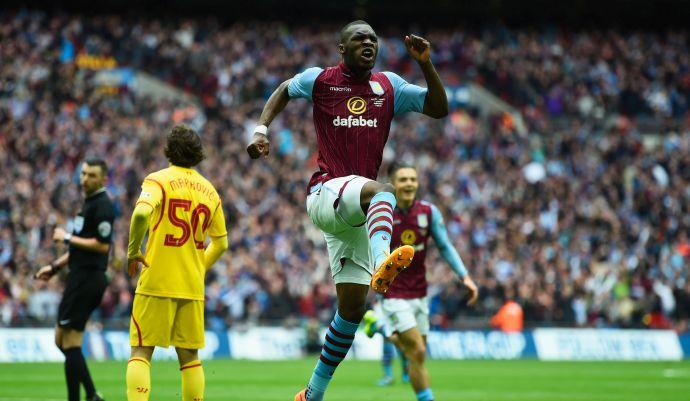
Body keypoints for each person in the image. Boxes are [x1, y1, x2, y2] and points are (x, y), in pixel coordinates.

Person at [246, 20, 448, 401]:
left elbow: (439, 108)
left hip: (356, 213)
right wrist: (261, 130)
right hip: (326, 191)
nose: (368, 43)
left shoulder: (389, 87)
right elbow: (283, 91)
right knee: (384, 193)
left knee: (352, 311)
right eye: (359, 39)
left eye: (372, 39)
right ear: (342, 48)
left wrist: (425, 63)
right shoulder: (321, 80)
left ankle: (313, 393)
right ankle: (384, 260)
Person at [125, 125, 229, 401]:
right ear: (198, 154)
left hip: (156, 279)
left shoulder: (158, 180)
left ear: (168, 150)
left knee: (142, 350)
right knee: (190, 358)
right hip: (192, 286)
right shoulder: (210, 191)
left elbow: (139, 215)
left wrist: (133, 250)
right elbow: (221, 243)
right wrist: (199, 267)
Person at [363, 162, 479, 401]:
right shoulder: (382, 214)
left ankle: (380, 327)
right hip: (393, 294)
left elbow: (445, 246)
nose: (409, 184)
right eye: (403, 179)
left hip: (420, 294)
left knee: (417, 355)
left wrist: (465, 276)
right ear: (392, 184)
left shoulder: (429, 212)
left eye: (412, 179)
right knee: (417, 350)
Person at [35, 158, 115, 401]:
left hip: (88, 279)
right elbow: (80, 248)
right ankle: (84, 396)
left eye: (91, 175)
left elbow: (101, 245)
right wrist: (54, 266)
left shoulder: (102, 206)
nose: (84, 179)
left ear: (103, 179)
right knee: (63, 339)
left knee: (69, 341)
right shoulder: (88, 204)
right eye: (82, 174)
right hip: (79, 276)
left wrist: (68, 237)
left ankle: (89, 395)